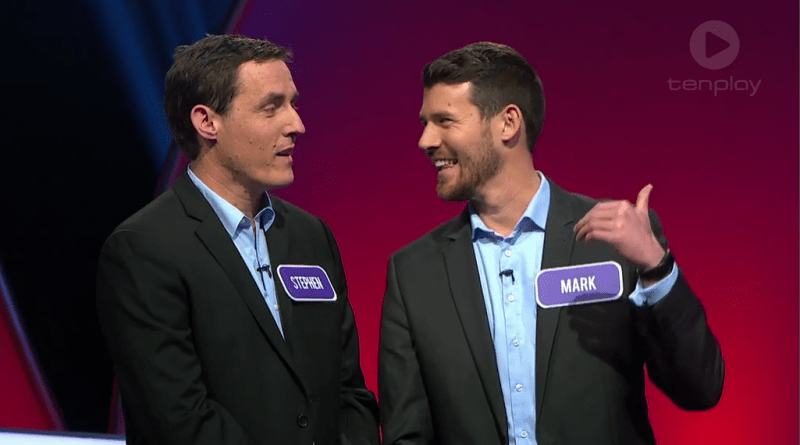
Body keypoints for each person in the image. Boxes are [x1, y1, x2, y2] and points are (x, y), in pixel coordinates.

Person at [379, 42, 724, 445]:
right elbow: (407, 435)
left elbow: (700, 388)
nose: (425, 140)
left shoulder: (615, 241)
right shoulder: (413, 273)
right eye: (426, 122)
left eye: (444, 121)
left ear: (508, 123)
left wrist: (656, 268)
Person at [96, 34, 379, 445]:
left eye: (293, 104)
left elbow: (349, 391)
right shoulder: (144, 249)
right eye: (272, 107)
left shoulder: (311, 236)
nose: (296, 125)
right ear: (207, 122)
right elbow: (179, 420)